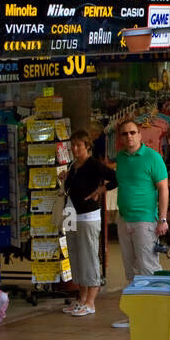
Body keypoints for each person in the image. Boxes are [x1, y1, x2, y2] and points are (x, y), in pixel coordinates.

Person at [110, 118, 169, 328]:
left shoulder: (153, 158)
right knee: (131, 269)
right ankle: (137, 315)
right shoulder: (121, 158)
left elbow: (163, 188)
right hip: (124, 219)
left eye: (133, 132)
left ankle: (156, 314)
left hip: (145, 221)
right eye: (125, 134)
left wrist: (162, 218)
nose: (129, 137)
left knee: (149, 268)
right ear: (120, 138)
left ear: (140, 134)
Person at [59, 129, 117, 317]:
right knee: (75, 256)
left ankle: (91, 301)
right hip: (71, 214)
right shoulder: (74, 165)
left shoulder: (93, 165)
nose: (75, 149)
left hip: (87, 216)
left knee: (89, 256)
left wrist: (99, 191)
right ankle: (81, 298)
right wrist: (65, 179)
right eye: (73, 145)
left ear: (87, 146)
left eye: (79, 145)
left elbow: (114, 178)